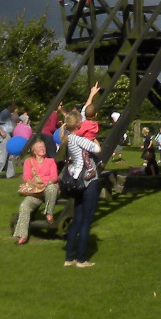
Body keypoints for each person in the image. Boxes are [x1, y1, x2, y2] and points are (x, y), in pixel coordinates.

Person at [61, 107, 102, 268]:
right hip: (88, 179)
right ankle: (81, 259)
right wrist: (94, 140)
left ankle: (69, 256)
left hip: (76, 179)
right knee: (86, 220)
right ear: (78, 124)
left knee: (77, 218)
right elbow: (97, 149)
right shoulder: (78, 138)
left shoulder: (68, 137)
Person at [13, 136, 59, 244]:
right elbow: (26, 177)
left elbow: (54, 177)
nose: (42, 149)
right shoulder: (29, 161)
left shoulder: (50, 161)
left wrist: (46, 183)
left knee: (52, 188)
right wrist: (33, 183)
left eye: (43, 147)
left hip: (48, 188)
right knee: (25, 205)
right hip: (36, 191)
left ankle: (49, 213)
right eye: (39, 147)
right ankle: (22, 235)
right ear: (34, 150)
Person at [0, 102, 17, 179]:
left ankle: (10, 173)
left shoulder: (8, 113)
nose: (14, 107)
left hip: (8, 135)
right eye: (13, 105)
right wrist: (1, 131)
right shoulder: (5, 112)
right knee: (2, 155)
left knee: (9, 155)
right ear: (9, 106)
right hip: (5, 136)